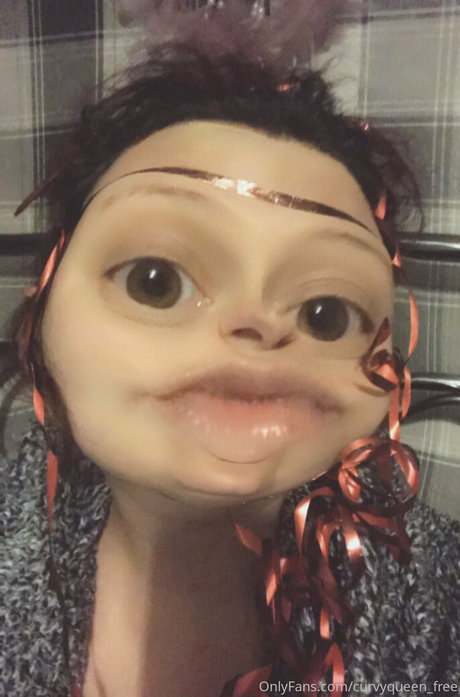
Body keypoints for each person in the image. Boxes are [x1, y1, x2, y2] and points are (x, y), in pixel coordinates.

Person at [1, 41, 459, 697]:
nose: (257, 323)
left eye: (326, 313)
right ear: (39, 319)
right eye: (155, 281)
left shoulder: (440, 598)